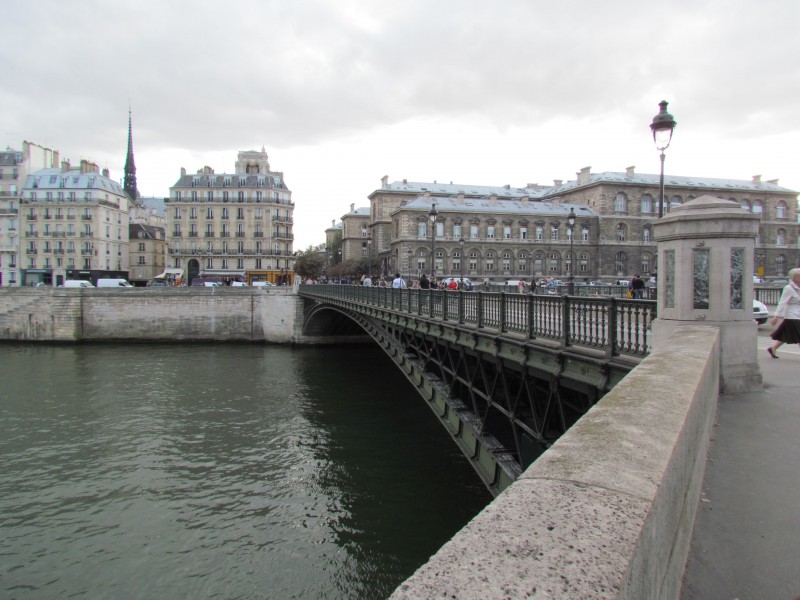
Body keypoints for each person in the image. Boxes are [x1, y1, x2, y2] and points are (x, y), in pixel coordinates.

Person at [766, 268, 800, 358]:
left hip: (798, 315)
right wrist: (776, 316)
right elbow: (782, 302)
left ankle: (773, 348)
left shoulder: (799, 287)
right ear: (794, 277)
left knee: (786, 334)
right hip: (792, 315)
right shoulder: (789, 288)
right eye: (799, 276)